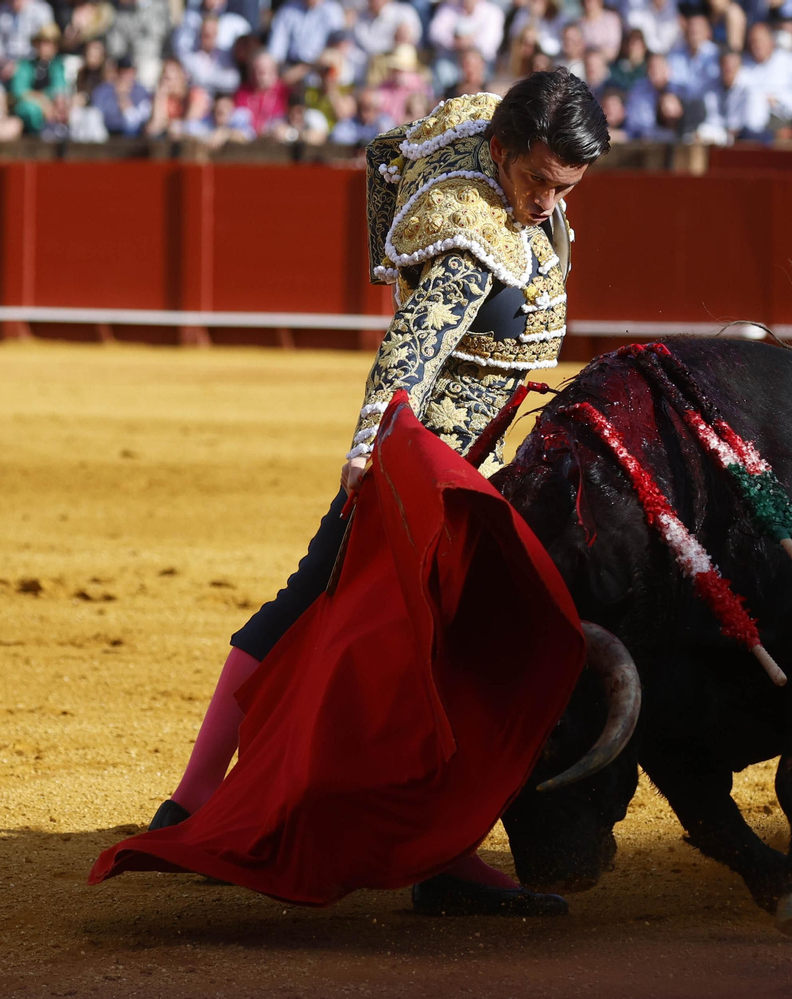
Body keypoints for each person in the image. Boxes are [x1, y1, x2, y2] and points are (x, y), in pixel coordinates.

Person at [146, 71, 608, 918]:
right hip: (421, 467)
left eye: (565, 186)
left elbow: (398, 149)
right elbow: (411, 349)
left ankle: (442, 853)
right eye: (537, 180)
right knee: (319, 596)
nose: (546, 201)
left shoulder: (491, 135)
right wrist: (368, 453)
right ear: (504, 151)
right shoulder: (475, 241)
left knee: (438, 650)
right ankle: (192, 800)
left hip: (470, 468)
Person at [742, 20, 792, 137]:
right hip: (747, 126)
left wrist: (779, 99)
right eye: (752, 42)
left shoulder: (791, 61)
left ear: (770, 41)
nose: (756, 46)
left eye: (760, 41)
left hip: (781, 121)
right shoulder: (744, 65)